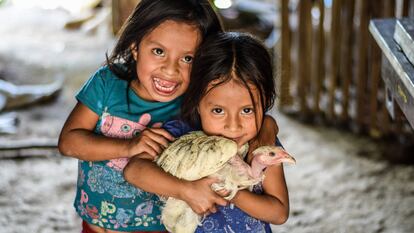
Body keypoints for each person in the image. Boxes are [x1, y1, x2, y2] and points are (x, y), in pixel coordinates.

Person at [58, 0, 227, 232]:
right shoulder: (107, 84)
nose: (171, 70)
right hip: (97, 225)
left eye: (188, 58)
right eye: (159, 52)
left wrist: (268, 128)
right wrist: (129, 147)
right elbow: (68, 143)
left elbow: (242, 118)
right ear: (135, 47)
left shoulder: (197, 101)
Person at [124, 32, 289, 233]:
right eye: (218, 111)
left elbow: (278, 212)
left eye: (247, 110)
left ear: (265, 102)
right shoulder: (184, 134)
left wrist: (229, 189)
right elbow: (134, 171)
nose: (233, 126)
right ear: (197, 103)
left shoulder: (262, 149)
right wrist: (186, 190)